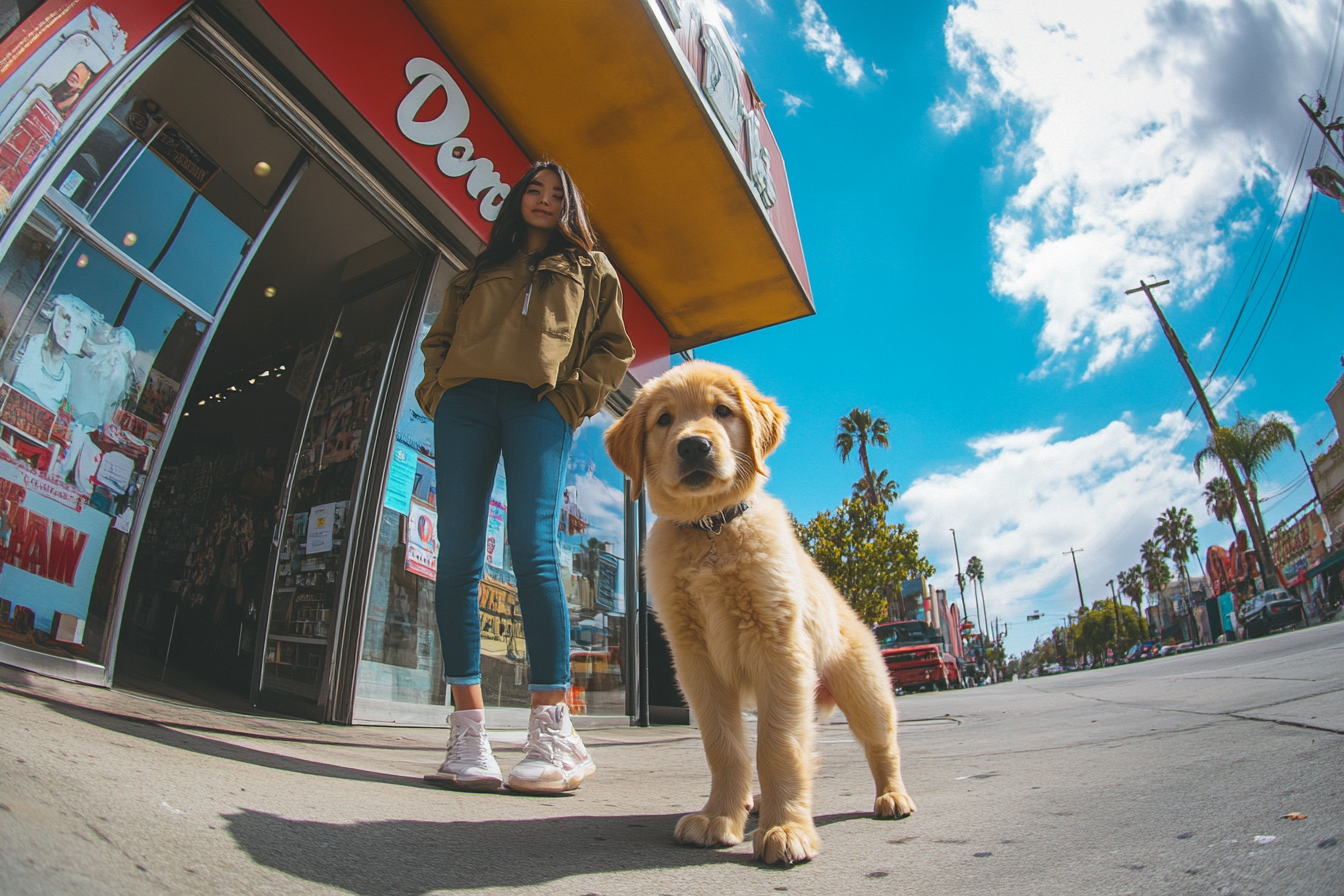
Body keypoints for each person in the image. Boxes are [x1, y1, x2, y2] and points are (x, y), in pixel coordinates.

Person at [415, 161, 634, 793]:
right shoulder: (479, 270)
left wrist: (572, 400)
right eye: (533, 190)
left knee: (533, 552)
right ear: (517, 200)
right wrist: (437, 391)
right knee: (456, 559)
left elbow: (613, 349)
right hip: (464, 404)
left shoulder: (592, 269)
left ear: (572, 206)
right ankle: (468, 735)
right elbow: (440, 339)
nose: (543, 200)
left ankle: (553, 732)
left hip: (539, 406)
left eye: (557, 193)